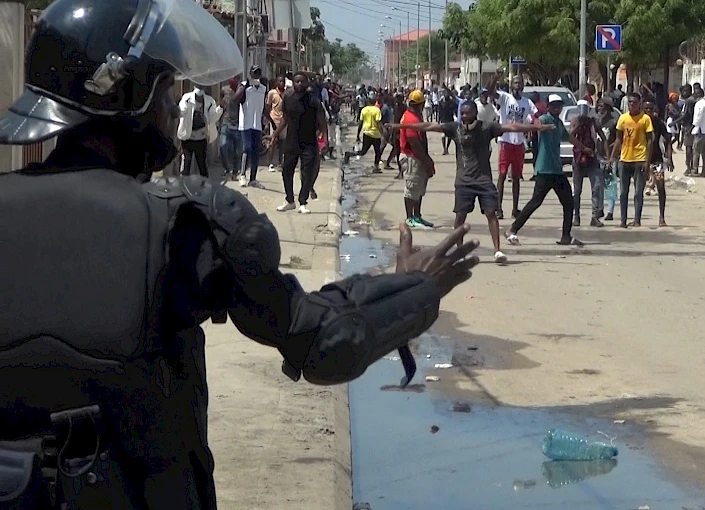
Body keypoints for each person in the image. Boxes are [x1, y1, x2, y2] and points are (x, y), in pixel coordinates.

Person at [0, 0, 481, 506]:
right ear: (134, 96)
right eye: (167, 90)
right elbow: (324, 340)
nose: (171, 108)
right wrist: (413, 286)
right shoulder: (181, 224)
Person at [393, 100, 553, 263]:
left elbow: (512, 127)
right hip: (463, 181)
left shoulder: (487, 128)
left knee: (491, 213)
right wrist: (400, 127)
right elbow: (428, 126)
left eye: (467, 113)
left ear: (475, 113)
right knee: (460, 216)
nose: (464, 116)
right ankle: (458, 252)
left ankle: (497, 251)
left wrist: (536, 128)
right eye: (462, 113)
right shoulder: (455, 128)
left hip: (484, 180)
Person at [505, 95, 591, 246]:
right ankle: (512, 230)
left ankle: (566, 236)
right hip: (544, 169)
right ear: (548, 106)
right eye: (553, 105)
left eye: (559, 105)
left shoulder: (558, 122)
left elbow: (569, 138)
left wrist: (583, 148)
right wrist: (541, 127)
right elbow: (536, 122)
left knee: (568, 203)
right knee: (535, 202)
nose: (556, 108)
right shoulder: (545, 119)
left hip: (556, 170)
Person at [270, 73, 328, 214]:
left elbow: (322, 123)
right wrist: (274, 134)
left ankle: (303, 202)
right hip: (291, 141)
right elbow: (284, 119)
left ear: (307, 84)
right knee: (286, 171)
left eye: (302, 82)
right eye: (297, 82)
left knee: (306, 173)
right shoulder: (288, 99)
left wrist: (325, 140)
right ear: (293, 83)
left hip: (309, 143)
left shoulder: (314, 102)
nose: (299, 84)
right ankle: (290, 200)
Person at [488, 69, 535, 220]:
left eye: (519, 83)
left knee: (516, 178)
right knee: (502, 175)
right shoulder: (504, 98)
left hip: (519, 143)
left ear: (522, 87)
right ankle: (498, 208)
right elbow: (489, 90)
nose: (517, 86)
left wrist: (538, 125)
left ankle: (515, 209)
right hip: (505, 142)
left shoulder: (527, 103)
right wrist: (496, 77)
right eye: (515, 83)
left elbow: (535, 116)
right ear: (511, 86)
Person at [609, 92, 653, 228]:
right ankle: (623, 220)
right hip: (624, 159)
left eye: (634, 102)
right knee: (623, 192)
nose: (631, 105)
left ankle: (637, 219)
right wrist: (612, 157)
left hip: (639, 158)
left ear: (639, 103)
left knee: (638, 191)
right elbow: (618, 139)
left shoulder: (645, 119)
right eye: (629, 102)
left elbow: (650, 140)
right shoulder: (623, 119)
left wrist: (647, 162)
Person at [399, 90, 436, 229]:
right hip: (411, 157)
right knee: (411, 188)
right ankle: (410, 217)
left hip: (417, 157)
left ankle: (417, 216)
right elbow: (414, 143)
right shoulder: (411, 119)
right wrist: (427, 161)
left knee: (419, 189)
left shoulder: (415, 116)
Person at [571, 100, 607, 227]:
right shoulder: (575, 120)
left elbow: (602, 137)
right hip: (578, 158)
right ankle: (576, 216)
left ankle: (594, 216)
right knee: (576, 189)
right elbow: (570, 136)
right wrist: (578, 125)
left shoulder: (593, 122)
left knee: (596, 188)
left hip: (592, 158)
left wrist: (605, 155)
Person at [232, 65, 268, 187]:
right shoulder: (244, 86)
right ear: (250, 74)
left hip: (257, 124)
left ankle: (253, 179)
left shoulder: (263, 88)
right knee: (247, 148)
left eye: (258, 73)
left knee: (256, 152)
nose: (256, 75)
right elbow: (235, 99)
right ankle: (242, 175)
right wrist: (245, 86)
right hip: (246, 124)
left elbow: (263, 106)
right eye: (254, 73)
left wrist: (270, 121)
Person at [642, 101, 673, 227]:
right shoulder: (639, 122)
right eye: (646, 109)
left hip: (656, 160)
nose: (648, 112)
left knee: (661, 187)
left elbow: (668, 140)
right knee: (639, 190)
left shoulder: (659, 123)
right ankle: (636, 218)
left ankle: (662, 217)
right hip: (640, 159)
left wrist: (669, 158)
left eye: (651, 109)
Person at [344, 92, 385, 174]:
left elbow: (360, 123)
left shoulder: (364, 110)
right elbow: (378, 123)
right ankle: (376, 167)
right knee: (378, 151)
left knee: (363, 152)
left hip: (366, 133)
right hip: (375, 134)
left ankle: (349, 154)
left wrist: (358, 135)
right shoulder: (377, 110)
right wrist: (383, 133)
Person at [597, 97, 619, 221]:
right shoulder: (596, 121)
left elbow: (618, 139)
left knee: (610, 184)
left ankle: (610, 211)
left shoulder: (614, 122)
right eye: (599, 106)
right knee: (598, 184)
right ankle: (599, 208)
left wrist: (611, 155)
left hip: (610, 157)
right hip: (597, 156)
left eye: (602, 106)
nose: (600, 108)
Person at [218, 77, 242, 179]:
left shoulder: (241, 91)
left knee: (237, 152)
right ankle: (227, 169)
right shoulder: (224, 90)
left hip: (238, 125)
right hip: (226, 123)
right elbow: (221, 104)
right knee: (223, 146)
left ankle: (235, 172)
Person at [691, 85, 705, 178]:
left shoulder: (699, 104)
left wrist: (693, 126)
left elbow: (697, 118)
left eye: (695, 93)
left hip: (700, 130)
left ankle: (695, 170)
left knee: (696, 151)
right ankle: (704, 171)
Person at [265, 76, 286, 172]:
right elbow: (268, 107)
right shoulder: (272, 93)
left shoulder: (286, 93)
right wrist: (269, 120)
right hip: (274, 120)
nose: (282, 83)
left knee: (282, 142)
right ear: (277, 82)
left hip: (283, 121)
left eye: (283, 81)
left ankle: (280, 162)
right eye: (280, 81)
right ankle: (270, 163)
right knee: (272, 142)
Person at [439, 89, 458, 155]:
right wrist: (439, 120)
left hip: (450, 120)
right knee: (443, 136)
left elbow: (455, 109)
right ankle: (444, 148)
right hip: (443, 120)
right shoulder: (441, 102)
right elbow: (439, 112)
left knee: (449, 136)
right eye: (445, 93)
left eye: (447, 93)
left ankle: (447, 148)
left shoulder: (452, 102)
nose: (446, 95)